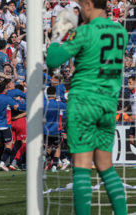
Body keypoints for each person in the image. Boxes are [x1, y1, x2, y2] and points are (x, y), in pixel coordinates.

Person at [46, 1, 128, 214]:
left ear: (89, 4)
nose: (79, 10)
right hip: (108, 104)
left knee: (81, 167)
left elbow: (53, 60)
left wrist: (58, 35)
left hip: (84, 102)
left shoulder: (84, 32)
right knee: (106, 167)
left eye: (81, 5)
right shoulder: (120, 31)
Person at [0, 79, 23, 171]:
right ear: (4, 90)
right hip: (5, 126)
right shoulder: (7, 98)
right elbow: (16, 107)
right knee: (9, 146)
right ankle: (2, 163)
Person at [43, 86, 66, 172]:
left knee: (48, 148)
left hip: (46, 131)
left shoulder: (43, 103)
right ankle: (54, 167)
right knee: (58, 148)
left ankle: (43, 161)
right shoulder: (60, 104)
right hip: (57, 130)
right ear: (55, 94)